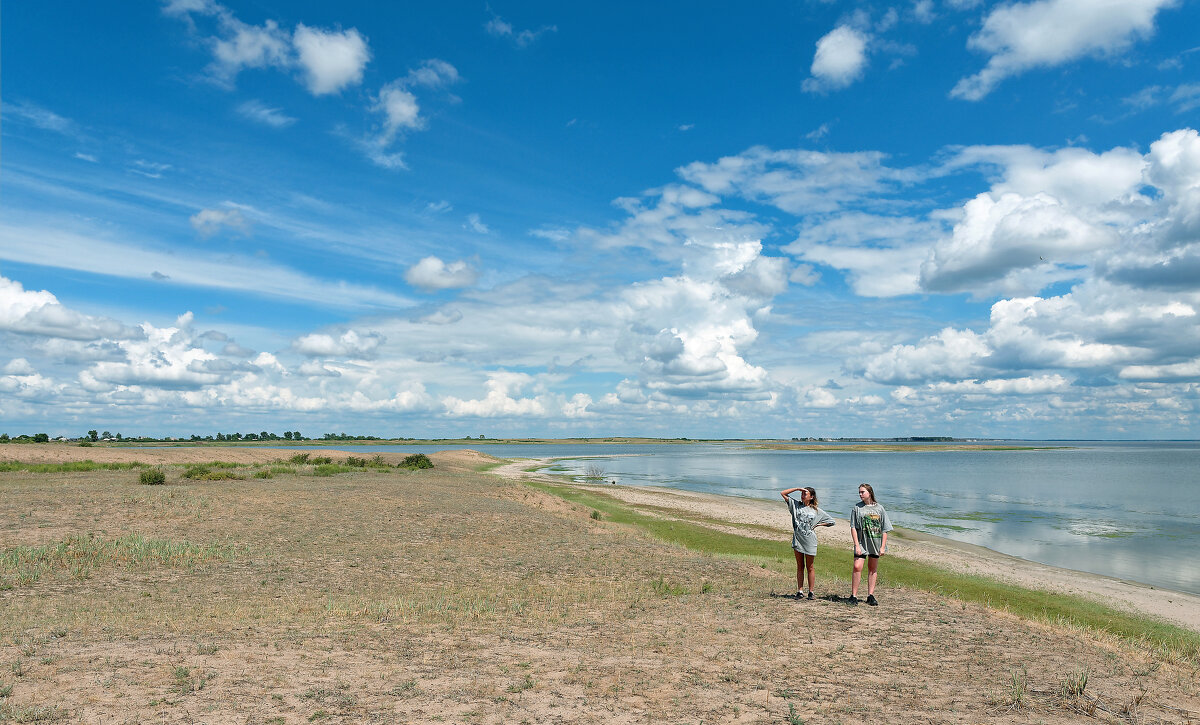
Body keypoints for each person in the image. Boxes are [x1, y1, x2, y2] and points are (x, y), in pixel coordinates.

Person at [780, 486, 836, 600]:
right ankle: (800, 591)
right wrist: (797, 489)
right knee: (800, 566)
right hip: (798, 539)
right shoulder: (795, 506)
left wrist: (819, 524)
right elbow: (783, 493)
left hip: (810, 540)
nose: (802, 495)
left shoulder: (816, 510)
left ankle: (811, 592)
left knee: (810, 567)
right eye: (802, 494)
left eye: (805, 494)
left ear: (811, 497)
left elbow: (831, 521)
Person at [848, 483, 891, 606]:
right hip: (862, 543)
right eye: (859, 492)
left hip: (875, 542)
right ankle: (854, 595)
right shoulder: (857, 508)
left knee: (872, 569)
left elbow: (885, 529)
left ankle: (870, 595)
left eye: (863, 492)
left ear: (870, 493)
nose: (860, 494)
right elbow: (853, 528)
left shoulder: (880, 508)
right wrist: (856, 545)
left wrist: (882, 547)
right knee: (857, 566)